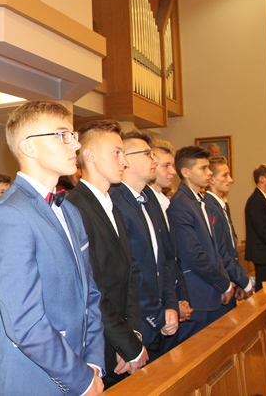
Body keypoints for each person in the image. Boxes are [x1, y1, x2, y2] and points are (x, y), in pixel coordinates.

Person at [0, 100, 105, 396]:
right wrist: (80, 378)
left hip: (82, 368)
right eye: (62, 135)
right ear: (28, 147)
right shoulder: (9, 215)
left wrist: (93, 363)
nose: (75, 144)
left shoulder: (70, 211)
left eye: (73, 135)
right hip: (35, 381)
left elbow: (89, 294)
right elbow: (25, 323)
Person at [68, 119, 147, 387]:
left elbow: (128, 277)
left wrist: (133, 336)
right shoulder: (75, 208)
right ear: (89, 156)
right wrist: (127, 345)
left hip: (119, 342)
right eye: (116, 152)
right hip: (96, 345)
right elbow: (93, 290)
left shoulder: (113, 207)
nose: (124, 161)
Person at [109, 131, 178, 362]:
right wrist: (157, 316)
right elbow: (130, 269)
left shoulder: (147, 201)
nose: (154, 160)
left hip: (158, 316)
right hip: (138, 322)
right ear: (126, 159)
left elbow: (163, 260)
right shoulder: (115, 202)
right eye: (148, 154)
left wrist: (171, 305)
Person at [167, 146, 234, 338]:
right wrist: (223, 284)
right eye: (203, 168)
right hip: (199, 296)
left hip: (211, 290)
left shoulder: (198, 200)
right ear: (186, 172)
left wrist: (225, 282)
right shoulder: (180, 204)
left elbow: (214, 249)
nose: (209, 172)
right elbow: (194, 254)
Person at [146, 140, 193, 344]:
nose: (173, 172)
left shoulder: (162, 203)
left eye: (172, 165)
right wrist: (171, 304)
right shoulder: (147, 204)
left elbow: (173, 259)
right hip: (159, 307)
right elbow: (155, 263)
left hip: (171, 298)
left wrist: (180, 298)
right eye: (166, 166)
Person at [205, 156, 253, 303]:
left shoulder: (221, 205)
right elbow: (221, 252)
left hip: (231, 279)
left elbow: (232, 250)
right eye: (225, 175)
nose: (230, 180)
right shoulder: (210, 207)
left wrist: (239, 281)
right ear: (211, 179)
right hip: (221, 286)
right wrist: (244, 282)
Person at [245, 164, 266, 292]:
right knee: (264, 291)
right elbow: (263, 230)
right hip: (263, 254)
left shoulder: (264, 198)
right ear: (262, 179)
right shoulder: (256, 200)